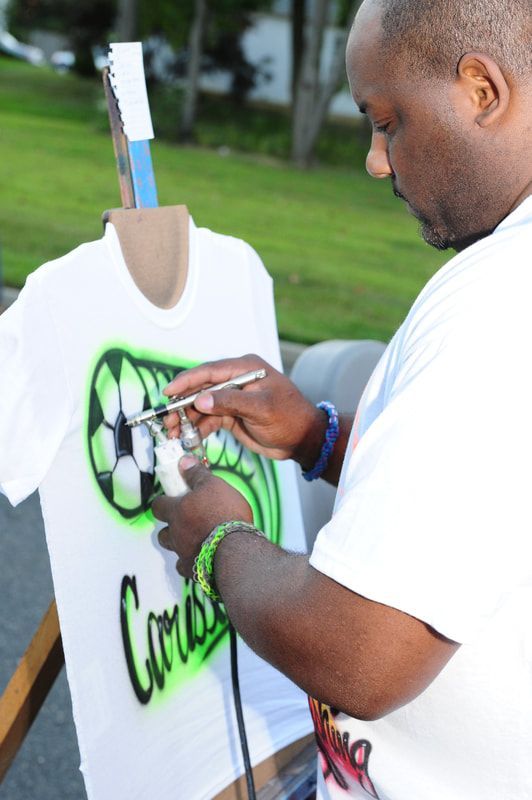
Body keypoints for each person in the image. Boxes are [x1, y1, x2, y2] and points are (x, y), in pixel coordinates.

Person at [153, 0, 532, 797]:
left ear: (482, 91)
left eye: (386, 121)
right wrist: (317, 438)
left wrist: (218, 543)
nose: (376, 160)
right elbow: (486, 506)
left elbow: (362, 655)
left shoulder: (496, 305)